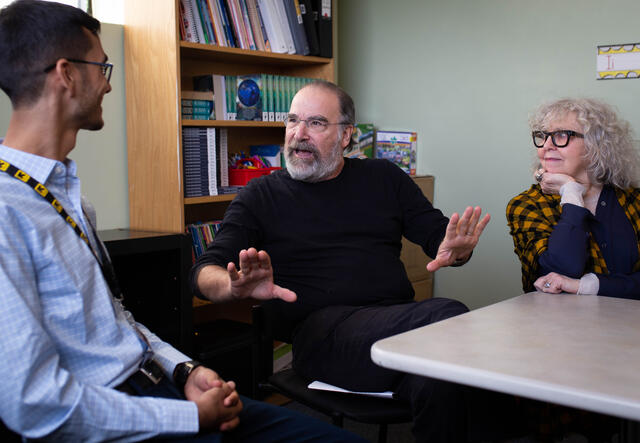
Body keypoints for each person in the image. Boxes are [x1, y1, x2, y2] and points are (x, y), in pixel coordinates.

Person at [0, 1, 366, 441]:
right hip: (120, 414)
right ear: (67, 74)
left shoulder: (66, 195)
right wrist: (189, 417)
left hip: (158, 387)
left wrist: (183, 369)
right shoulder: (9, 211)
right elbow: (35, 405)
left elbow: (114, 323)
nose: (109, 86)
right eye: (102, 68)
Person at [192, 79, 492, 442]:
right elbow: (202, 273)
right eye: (292, 121)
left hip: (394, 325)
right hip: (321, 337)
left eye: (316, 123)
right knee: (448, 317)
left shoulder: (383, 178)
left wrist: (457, 248)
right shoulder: (262, 195)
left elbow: (438, 237)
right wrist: (232, 285)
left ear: (346, 135)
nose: (299, 133)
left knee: (439, 375)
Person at [507, 98, 640, 298]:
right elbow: (557, 275)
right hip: (559, 325)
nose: (547, 145)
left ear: (597, 144)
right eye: (542, 136)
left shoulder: (633, 199)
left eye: (561, 135)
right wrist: (571, 192)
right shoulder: (526, 205)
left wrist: (585, 286)